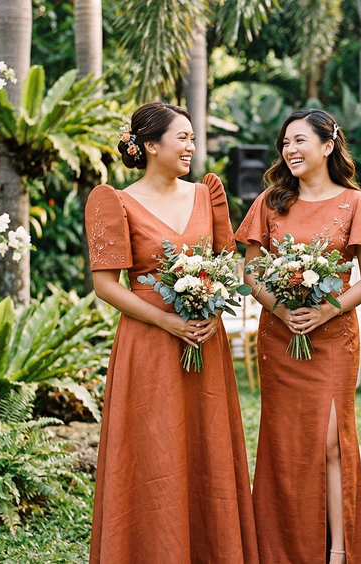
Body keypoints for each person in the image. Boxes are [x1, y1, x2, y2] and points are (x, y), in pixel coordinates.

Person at [85, 102, 258, 564]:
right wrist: (168, 322)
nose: (191, 147)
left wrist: (209, 309)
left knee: (206, 446)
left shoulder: (207, 195)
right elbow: (105, 285)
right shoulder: (113, 201)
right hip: (149, 341)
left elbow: (226, 263)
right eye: (182, 137)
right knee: (154, 448)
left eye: (192, 137)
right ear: (149, 145)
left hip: (204, 335)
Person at [235, 108, 361, 564]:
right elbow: (250, 270)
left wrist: (326, 310)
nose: (290, 150)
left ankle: (339, 551)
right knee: (284, 442)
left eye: (300, 141)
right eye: (285, 142)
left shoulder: (356, 204)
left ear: (328, 146)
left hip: (332, 337)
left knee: (331, 441)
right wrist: (282, 309)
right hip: (280, 336)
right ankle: (280, 547)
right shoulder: (269, 201)